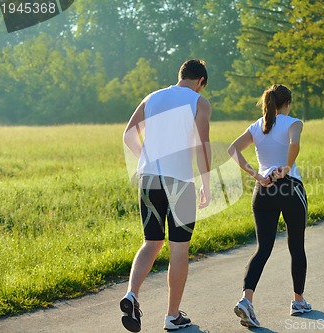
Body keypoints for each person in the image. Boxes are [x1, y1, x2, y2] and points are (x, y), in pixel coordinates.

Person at [121, 59, 212, 332]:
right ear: (200, 82)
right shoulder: (199, 102)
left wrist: (145, 157)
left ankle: (131, 294)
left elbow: (128, 134)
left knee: (151, 242)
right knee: (179, 247)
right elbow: (202, 146)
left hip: (148, 179)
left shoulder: (152, 97)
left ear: (181, 76)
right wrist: (206, 184)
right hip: (180, 182)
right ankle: (173, 316)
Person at [227, 84, 311, 328]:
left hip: (262, 190)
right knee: (296, 245)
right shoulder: (293, 122)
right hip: (290, 187)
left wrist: (256, 175)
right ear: (287, 103)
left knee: (263, 248)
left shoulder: (256, 126)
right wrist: (285, 167)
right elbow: (295, 144)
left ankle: (246, 300)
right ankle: (298, 301)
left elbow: (232, 149)